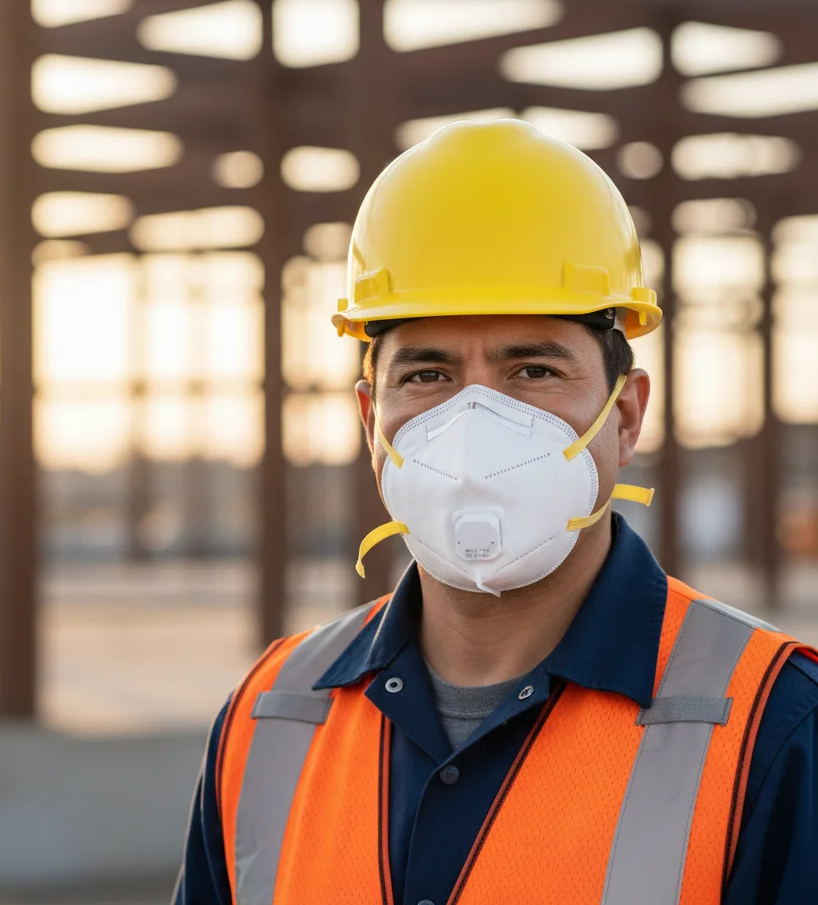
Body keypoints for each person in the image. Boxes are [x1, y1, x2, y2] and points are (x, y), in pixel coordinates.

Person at [173, 120, 818, 904]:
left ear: (625, 416)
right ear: (368, 421)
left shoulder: (773, 726)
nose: (475, 424)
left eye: (534, 369)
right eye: (429, 375)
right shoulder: (270, 718)